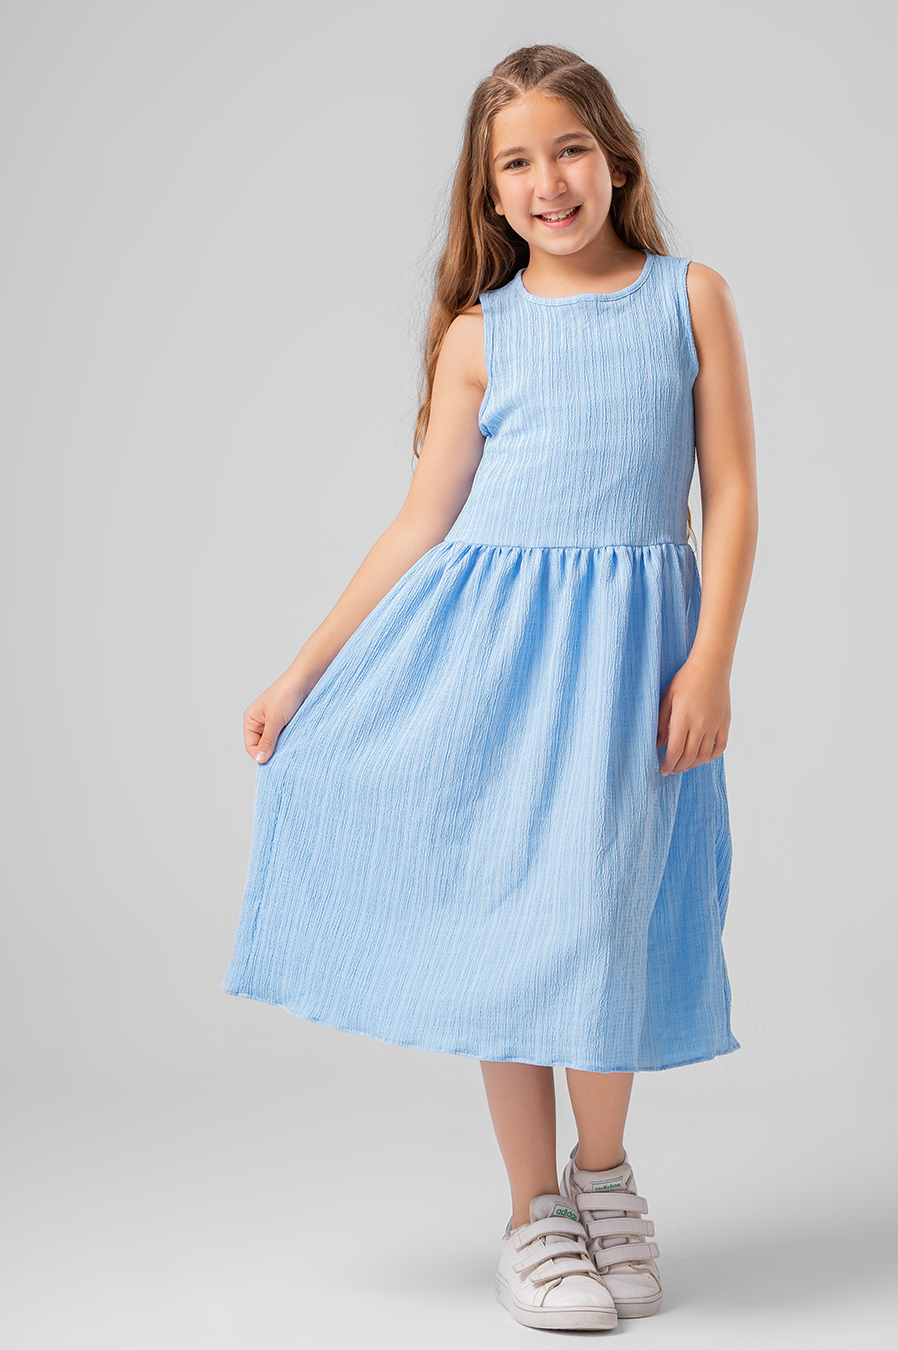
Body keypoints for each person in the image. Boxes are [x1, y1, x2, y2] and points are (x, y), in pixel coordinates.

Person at [221, 43, 757, 1332]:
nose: (547, 182)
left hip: (632, 675)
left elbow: (733, 491)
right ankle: (534, 1216)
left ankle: (603, 1178)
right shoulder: (483, 334)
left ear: (616, 158)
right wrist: (302, 671)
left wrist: (711, 659)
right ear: (488, 189)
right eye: (515, 162)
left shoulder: (690, 299)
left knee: (606, 922)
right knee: (509, 937)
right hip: (494, 670)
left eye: (568, 150)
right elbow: (421, 525)